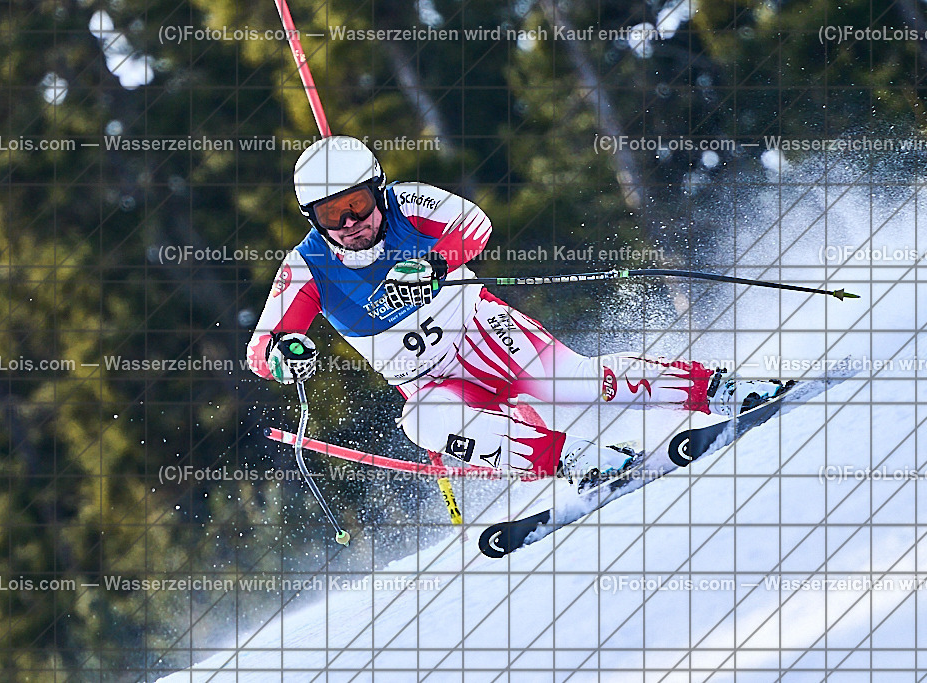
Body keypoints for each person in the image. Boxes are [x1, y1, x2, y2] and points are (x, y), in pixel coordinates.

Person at [247, 135, 785, 485]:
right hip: (426, 381)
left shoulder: (407, 202)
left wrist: (434, 265)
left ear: (377, 190)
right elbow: (262, 348)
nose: (350, 224)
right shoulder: (307, 267)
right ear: (310, 217)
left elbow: (473, 224)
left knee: (571, 385)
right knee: (422, 421)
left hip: (480, 329)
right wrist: (286, 353)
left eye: (357, 205)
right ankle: (575, 462)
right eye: (331, 215)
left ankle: (713, 389)